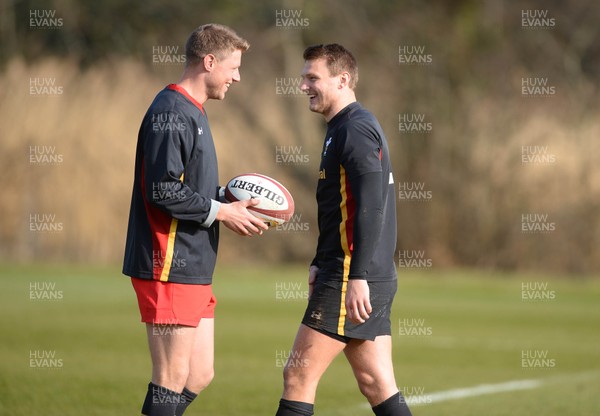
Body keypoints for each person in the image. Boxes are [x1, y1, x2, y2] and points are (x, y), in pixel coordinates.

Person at [122, 23, 268, 416]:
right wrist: (222, 211)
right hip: (168, 261)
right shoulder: (171, 112)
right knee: (169, 378)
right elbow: (163, 189)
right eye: (233, 67)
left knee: (198, 373)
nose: (237, 76)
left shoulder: (194, 111)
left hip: (193, 264)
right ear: (208, 62)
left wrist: (230, 199)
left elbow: (187, 186)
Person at [274, 44, 412, 416]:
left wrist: (357, 275)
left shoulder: (354, 129)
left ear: (343, 80)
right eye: (303, 77)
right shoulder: (343, 127)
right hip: (355, 271)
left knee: (297, 376)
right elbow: (340, 209)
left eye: (312, 78)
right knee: (376, 383)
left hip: (353, 275)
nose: (303, 85)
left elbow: (371, 206)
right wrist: (320, 259)